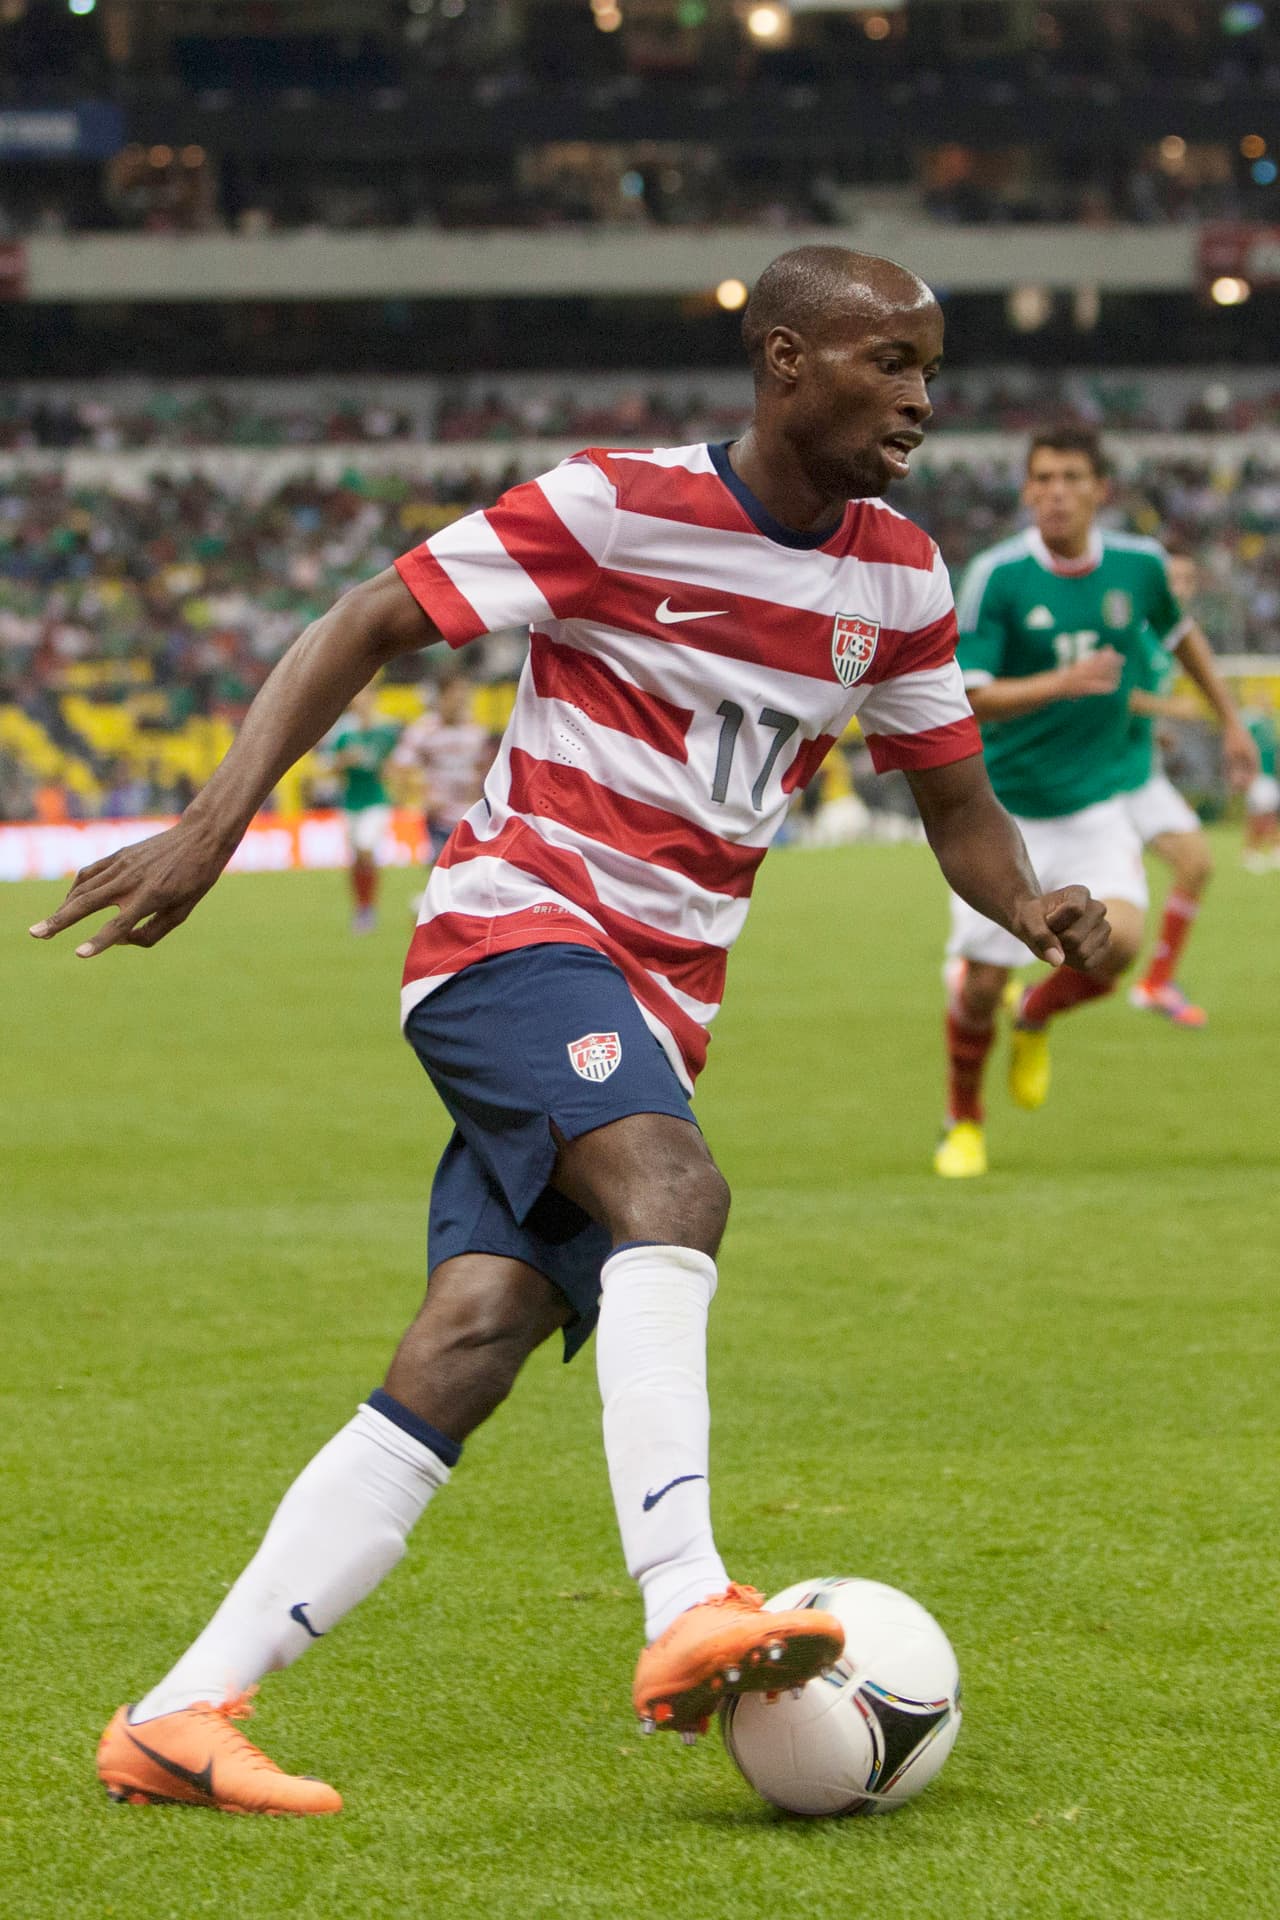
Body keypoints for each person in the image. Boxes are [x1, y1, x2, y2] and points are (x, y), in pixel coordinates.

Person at [31, 246, 1110, 1818]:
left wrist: (1043, 911)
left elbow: (960, 815)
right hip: (514, 933)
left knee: (474, 1334)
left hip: (657, 1005)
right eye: (891, 366)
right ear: (787, 361)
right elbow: (368, 617)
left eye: (931, 371)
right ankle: (689, 1604)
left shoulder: (901, 577)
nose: (922, 402)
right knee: (676, 1194)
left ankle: (184, 1712)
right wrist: (212, 823)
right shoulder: (613, 504)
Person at [935, 429, 1256, 1180]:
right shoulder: (996, 575)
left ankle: (1037, 1014)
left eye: (1071, 477)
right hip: (1001, 815)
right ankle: (964, 1122)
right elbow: (970, 695)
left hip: (1094, 804)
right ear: (1025, 491)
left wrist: (1232, 720)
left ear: (1100, 490)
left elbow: (1182, 639)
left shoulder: (1138, 568)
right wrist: (1059, 685)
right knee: (978, 985)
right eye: (1041, 477)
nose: (1054, 491)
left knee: (1120, 944)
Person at [1121, 553, 1218, 1028]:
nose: (1178, 586)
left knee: (1197, 864)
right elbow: (1105, 691)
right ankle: (985, 970)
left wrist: (1156, 727)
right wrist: (1171, 709)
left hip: (1141, 774)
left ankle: (1156, 983)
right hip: (1099, 776)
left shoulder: (1172, 638)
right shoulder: (1132, 631)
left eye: (1186, 578)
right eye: (1170, 578)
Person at [389, 670, 495, 905]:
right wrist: (419, 796)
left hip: (473, 817)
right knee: (448, 879)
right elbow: (399, 767)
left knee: (473, 882)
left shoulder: (476, 732)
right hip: (439, 818)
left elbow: (486, 772)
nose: (462, 699)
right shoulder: (424, 730)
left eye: (465, 694)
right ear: (443, 696)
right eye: (456, 694)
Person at [328, 684, 400, 932]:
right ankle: (361, 906)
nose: (363, 701)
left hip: (376, 800)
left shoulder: (385, 731)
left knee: (367, 849)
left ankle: (369, 907)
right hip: (351, 802)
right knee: (357, 857)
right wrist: (344, 761)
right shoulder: (344, 733)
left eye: (367, 696)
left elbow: (393, 764)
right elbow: (331, 768)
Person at [1241, 705, 1280, 872]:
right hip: (1258, 778)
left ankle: (1274, 850)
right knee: (1258, 816)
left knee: (1271, 815)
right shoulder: (1253, 724)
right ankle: (1250, 852)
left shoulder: (1271, 725)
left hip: (1270, 778)